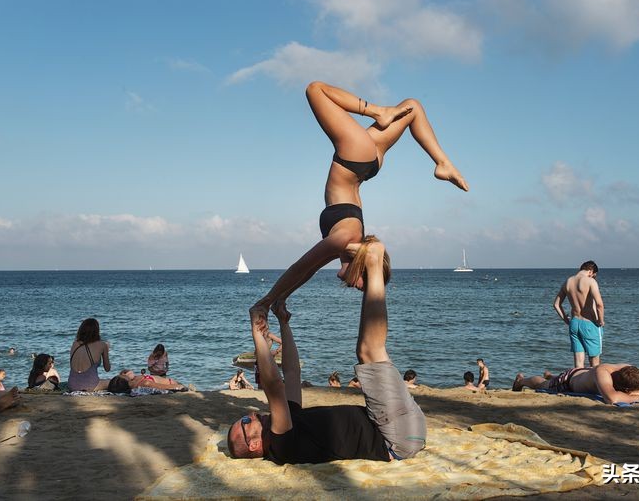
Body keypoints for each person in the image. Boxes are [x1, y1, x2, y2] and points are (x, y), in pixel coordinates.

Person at [249, 82, 468, 325]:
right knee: (315, 90)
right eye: (362, 285)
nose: (355, 287)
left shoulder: (344, 247)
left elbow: (308, 271)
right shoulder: (345, 239)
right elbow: (300, 267)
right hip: (354, 156)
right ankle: (378, 112)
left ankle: (443, 163)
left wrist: (281, 299)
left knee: (412, 107)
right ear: (361, 267)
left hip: (365, 162)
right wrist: (265, 301)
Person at [230, 240, 426, 464]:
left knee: (366, 351)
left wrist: (283, 322)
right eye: (246, 421)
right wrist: (256, 331)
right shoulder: (281, 446)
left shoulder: (290, 422)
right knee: (369, 352)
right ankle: (373, 263)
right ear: (253, 445)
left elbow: (292, 373)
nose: (252, 414)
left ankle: (371, 272)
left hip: (395, 424)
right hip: (395, 435)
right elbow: (273, 386)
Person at [512, 364, 639, 405]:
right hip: (569, 381)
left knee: (551, 379)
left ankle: (550, 374)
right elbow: (612, 399)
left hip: (584, 374)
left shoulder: (635, 372)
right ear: (626, 388)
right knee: (544, 385)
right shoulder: (603, 375)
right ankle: (522, 380)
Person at [553, 261, 605, 368]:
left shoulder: (568, 282)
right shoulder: (590, 281)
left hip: (574, 323)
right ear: (591, 272)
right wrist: (601, 320)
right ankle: (593, 384)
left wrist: (566, 320)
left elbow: (556, 305)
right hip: (590, 323)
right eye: (594, 276)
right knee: (595, 363)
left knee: (578, 363)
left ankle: (577, 383)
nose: (594, 278)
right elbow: (599, 304)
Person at [68, 317, 112, 391]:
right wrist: (106, 350)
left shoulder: (75, 344)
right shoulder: (102, 345)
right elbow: (107, 369)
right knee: (113, 382)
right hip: (90, 385)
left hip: (72, 384)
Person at [109, 369, 187, 393]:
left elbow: (128, 371)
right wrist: (179, 387)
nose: (122, 374)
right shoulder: (144, 383)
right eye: (121, 375)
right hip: (172, 383)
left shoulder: (133, 380)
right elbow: (163, 387)